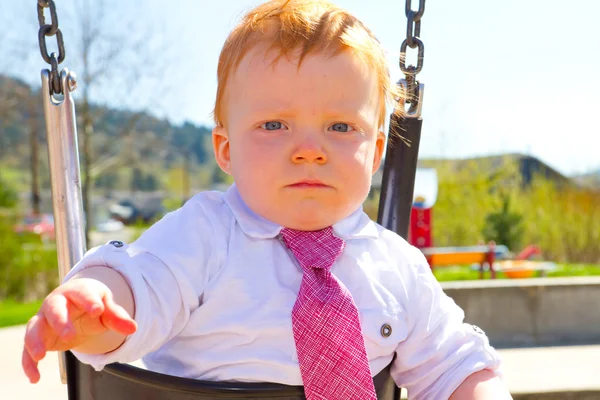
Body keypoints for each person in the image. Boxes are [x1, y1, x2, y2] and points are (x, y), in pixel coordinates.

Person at [22, 0, 512, 398]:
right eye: (274, 125)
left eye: (341, 127)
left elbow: (453, 365)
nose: (309, 152)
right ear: (226, 150)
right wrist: (97, 302)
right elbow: (142, 287)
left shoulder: (397, 266)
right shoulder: (204, 235)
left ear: (377, 151)